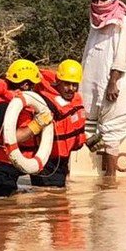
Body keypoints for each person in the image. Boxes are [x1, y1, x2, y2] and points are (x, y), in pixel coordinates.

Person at [79, 0, 126, 178]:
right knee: (87, 125)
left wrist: (113, 82)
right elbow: (88, 53)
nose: (98, 2)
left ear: (112, 0)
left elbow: (123, 55)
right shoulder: (94, 23)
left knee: (111, 132)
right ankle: (94, 178)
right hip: (92, 83)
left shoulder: (123, 23)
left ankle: (109, 181)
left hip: (114, 84)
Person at [0, 59, 53, 197]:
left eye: (32, 84)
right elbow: (14, 137)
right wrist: (37, 125)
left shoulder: (32, 103)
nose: (30, 86)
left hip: (15, 165)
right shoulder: (0, 106)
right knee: (3, 213)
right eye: (28, 83)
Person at [30, 59, 87, 188]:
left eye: (74, 85)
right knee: (50, 200)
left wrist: (86, 140)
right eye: (67, 84)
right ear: (58, 82)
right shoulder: (45, 102)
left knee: (60, 202)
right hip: (46, 161)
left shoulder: (75, 100)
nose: (71, 89)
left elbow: (74, 128)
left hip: (63, 161)